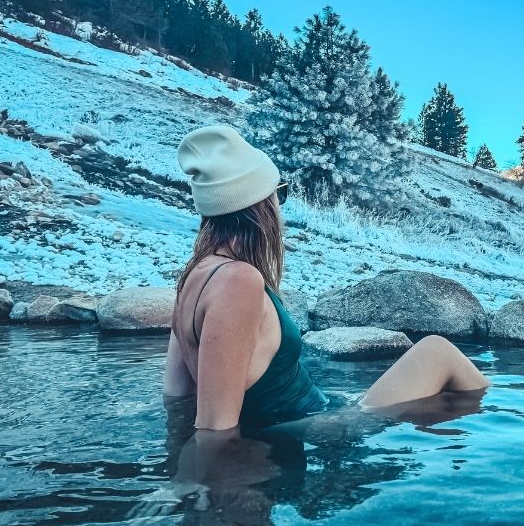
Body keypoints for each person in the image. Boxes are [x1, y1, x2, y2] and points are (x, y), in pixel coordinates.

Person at [162, 124, 491, 431]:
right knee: (438, 351)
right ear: (260, 203)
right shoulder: (239, 281)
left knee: (435, 368)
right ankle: (488, 453)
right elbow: (214, 429)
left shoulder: (193, 278)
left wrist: (177, 467)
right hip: (321, 427)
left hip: (315, 415)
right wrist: (205, 487)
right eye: (280, 193)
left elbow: (176, 399)